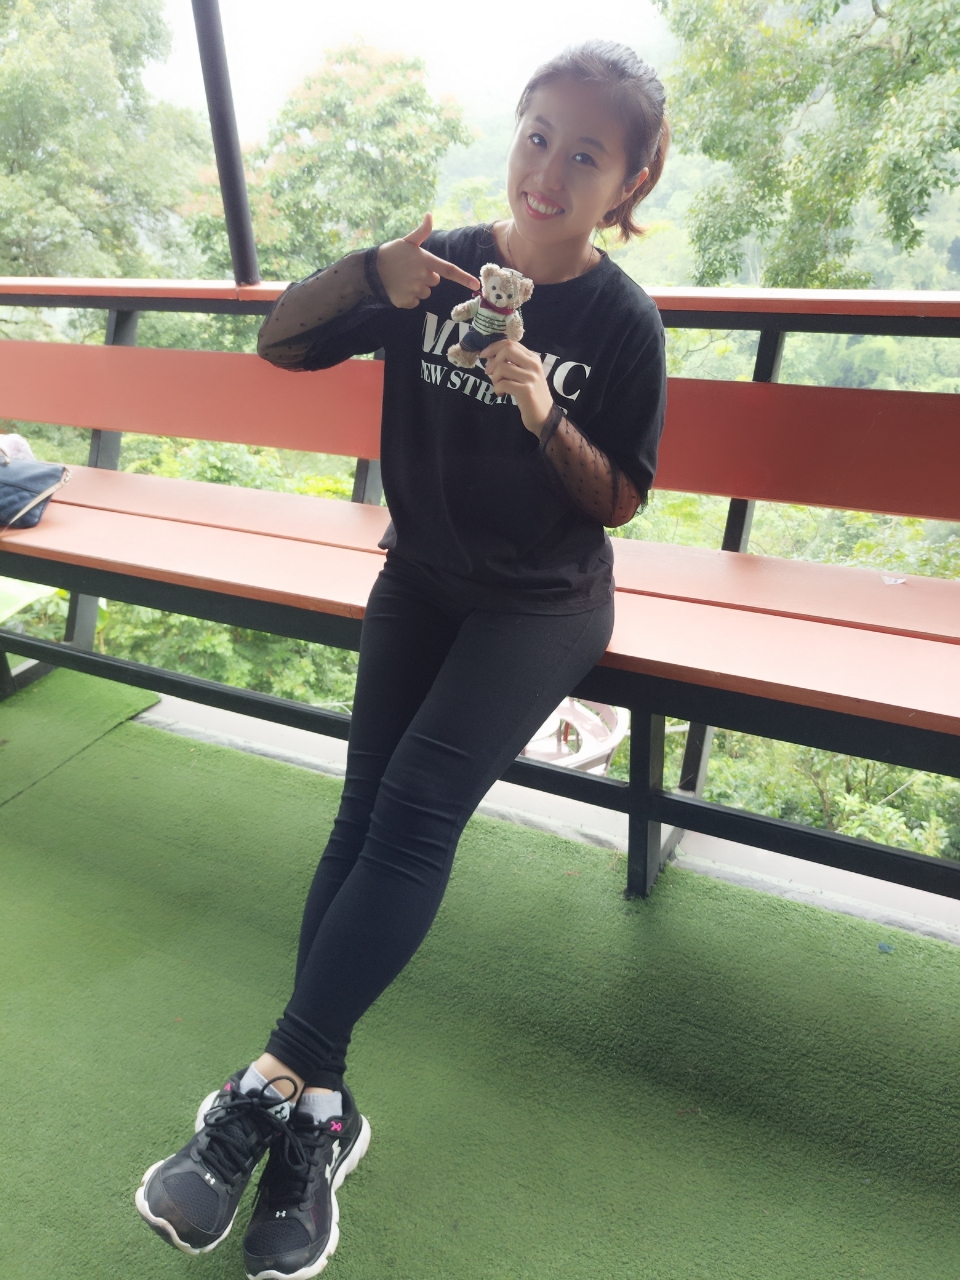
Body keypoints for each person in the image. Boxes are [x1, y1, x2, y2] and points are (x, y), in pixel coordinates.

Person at [136, 39, 669, 1280]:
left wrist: (542, 407)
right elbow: (280, 341)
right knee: (361, 812)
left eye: (586, 156)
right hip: (422, 574)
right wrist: (367, 272)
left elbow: (621, 501)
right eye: (538, 136)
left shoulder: (623, 320)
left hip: (541, 601)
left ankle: (263, 1086)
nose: (549, 173)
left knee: (417, 805)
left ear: (629, 183)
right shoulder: (438, 270)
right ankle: (319, 1111)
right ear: (516, 133)